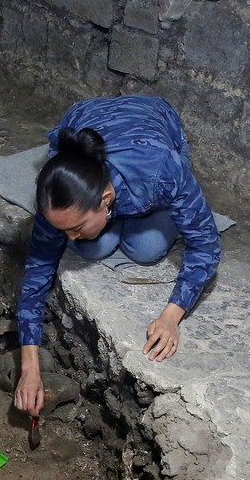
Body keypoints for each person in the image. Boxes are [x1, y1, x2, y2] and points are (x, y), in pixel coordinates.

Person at [13, 95, 221, 419]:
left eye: (76, 225)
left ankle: (128, 219)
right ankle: (106, 225)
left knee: (147, 247)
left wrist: (170, 317)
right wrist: (29, 366)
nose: (66, 237)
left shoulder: (162, 169)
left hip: (153, 123)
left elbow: (205, 244)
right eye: (63, 228)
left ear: (106, 198)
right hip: (86, 118)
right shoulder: (59, 190)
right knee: (92, 246)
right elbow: (38, 270)